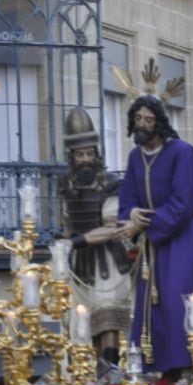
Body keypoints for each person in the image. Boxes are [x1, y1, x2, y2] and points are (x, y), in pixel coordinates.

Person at [117, 86, 193, 380]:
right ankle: (157, 367)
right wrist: (131, 215)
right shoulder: (136, 157)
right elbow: (127, 199)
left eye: (148, 119)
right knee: (152, 305)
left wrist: (144, 223)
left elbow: (183, 202)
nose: (142, 124)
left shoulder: (182, 152)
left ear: (159, 122)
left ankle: (189, 365)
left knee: (179, 300)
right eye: (138, 118)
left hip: (180, 242)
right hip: (152, 245)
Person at [57, 106, 133, 365]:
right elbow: (67, 224)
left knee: (108, 319)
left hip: (109, 262)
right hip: (79, 264)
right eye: (81, 154)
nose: (86, 159)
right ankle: (89, 375)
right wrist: (61, 253)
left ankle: (110, 372)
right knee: (82, 324)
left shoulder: (110, 183)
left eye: (90, 153)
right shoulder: (65, 185)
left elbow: (113, 229)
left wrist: (74, 242)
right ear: (72, 156)